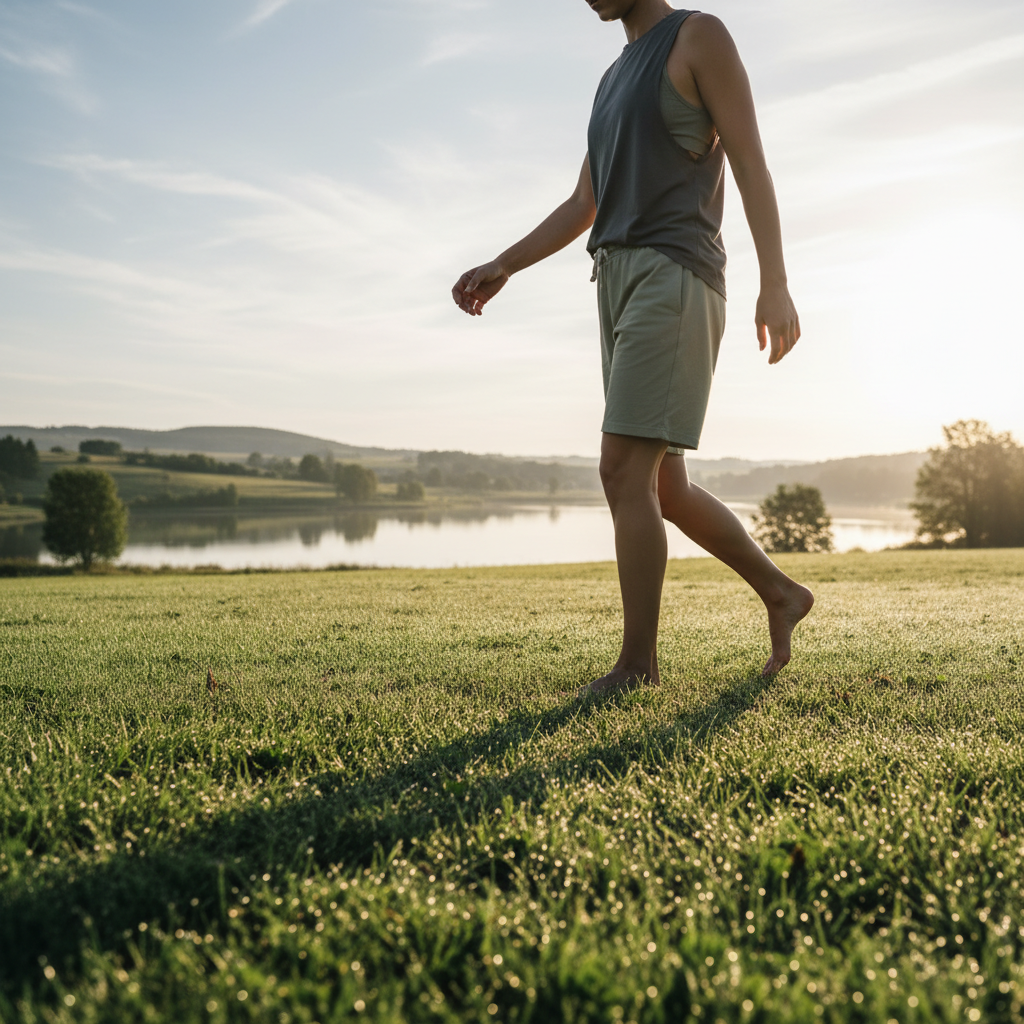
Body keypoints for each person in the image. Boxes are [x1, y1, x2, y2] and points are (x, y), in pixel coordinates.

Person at [452, 0, 814, 694]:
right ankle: (781, 593)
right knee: (662, 487)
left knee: (622, 471)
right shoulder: (613, 76)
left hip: (673, 273)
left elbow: (751, 164)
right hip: (614, 277)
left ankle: (637, 665)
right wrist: (505, 262)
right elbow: (583, 201)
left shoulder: (698, 37)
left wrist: (776, 282)